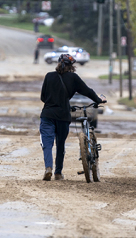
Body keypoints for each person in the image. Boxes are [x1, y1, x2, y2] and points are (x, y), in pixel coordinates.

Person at [39, 53, 106, 181]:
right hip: (63, 116)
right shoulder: (73, 78)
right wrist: (98, 100)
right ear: (71, 66)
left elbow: (43, 97)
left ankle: (48, 168)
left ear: (58, 63)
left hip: (48, 115)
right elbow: (87, 90)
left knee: (47, 144)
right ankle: (58, 173)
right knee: (60, 144)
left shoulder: (49, 76)